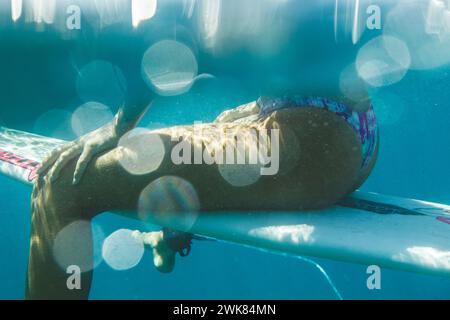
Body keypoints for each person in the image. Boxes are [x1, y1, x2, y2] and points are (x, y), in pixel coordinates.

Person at [29, 94, 378, 299]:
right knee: (219, 130)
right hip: (351, 131)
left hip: (309, 146)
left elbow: (165, 32)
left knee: (62, 186)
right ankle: (168, 237)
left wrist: (119, 126)